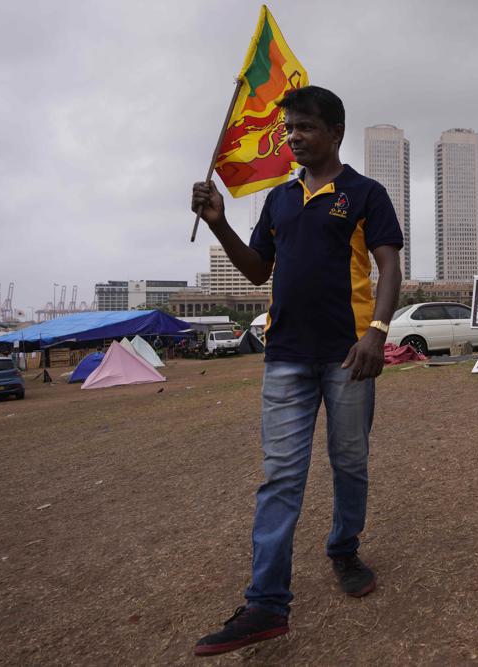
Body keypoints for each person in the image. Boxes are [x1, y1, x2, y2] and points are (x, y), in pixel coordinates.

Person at [190, 86, 403, 657]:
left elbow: (388, 265)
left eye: (305, 127)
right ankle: (266, 604)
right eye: (289, 129)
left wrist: (377, 333)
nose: (293, 137)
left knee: (350, 461)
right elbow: (258, 271)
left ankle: (343, 548)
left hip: (348, 354)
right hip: (285, 356)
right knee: (280, 477)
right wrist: (218, 222)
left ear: (334, 132)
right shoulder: (279, 201)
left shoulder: (364, 194)